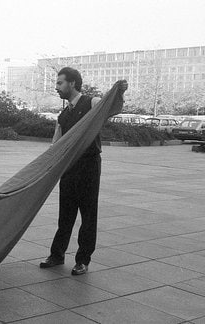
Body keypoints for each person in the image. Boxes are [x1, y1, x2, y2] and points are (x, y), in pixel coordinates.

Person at [40, 67, 128, 275]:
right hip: (69, 169)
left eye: (60, 83)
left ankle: (83, 260)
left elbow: (109, 109)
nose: (56, 87)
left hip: (88, 167)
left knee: (88, 215)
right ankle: (57, 254)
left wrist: (119, 93)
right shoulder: (63, 115)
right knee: (65, 214)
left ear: (72, 83)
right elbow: (56, 145)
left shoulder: (92, 103)